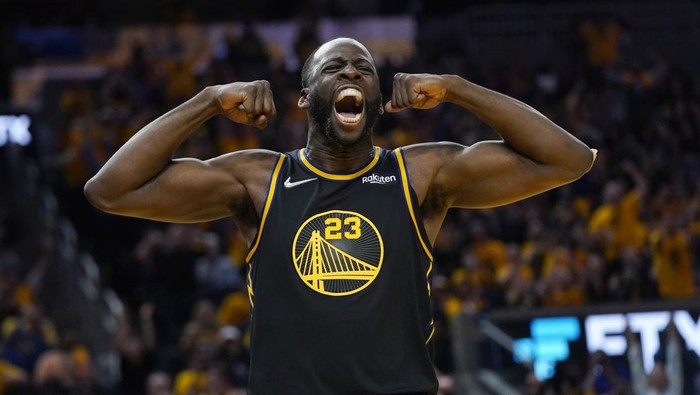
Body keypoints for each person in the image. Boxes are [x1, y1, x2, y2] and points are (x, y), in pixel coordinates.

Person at [84, 37, 596, 394]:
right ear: (307, 99)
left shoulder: (419, 174)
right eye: (334, 68)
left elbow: (569, 159)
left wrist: (456, 88)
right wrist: (208, 101)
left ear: (376, 101)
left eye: (364, 69)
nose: (351, 71)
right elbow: (109, 190)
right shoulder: (259, 180)